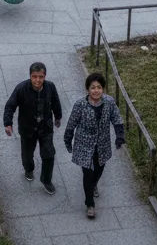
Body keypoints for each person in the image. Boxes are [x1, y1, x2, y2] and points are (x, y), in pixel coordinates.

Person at [64, 72, 125, 219]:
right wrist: (68, 139)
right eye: (93, 87)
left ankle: (94, 184)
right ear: (87, 89)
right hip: (84, 144)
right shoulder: (80, 104)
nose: (96, 90)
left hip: (102, 144)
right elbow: (72, 122)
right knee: (87, 173)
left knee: (99, 169)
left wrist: (119, 136)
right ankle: (90, 204)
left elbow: (117, 118)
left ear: (103, 89)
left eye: (99, 87)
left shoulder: (109, 102)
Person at [3, 62, 62, 195]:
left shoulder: (50, 87)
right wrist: (8, 123)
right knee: (27, 153)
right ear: (30, 76)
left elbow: (56, 102)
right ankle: (29, 169)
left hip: (45, 127)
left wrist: (58, 116)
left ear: (44, 76)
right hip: (27, 128)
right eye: (34, 76)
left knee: (49, 154)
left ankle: (46, 180)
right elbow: (10, 106)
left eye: (41, 77)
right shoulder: (21, 89)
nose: (37, 80)